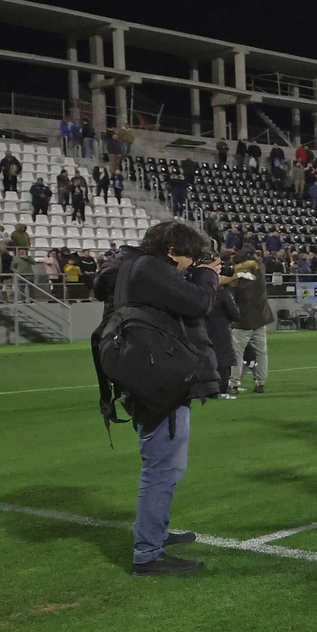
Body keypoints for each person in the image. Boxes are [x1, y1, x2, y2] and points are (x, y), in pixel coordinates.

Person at [92, 221, 219, 576]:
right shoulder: (149, 268)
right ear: (171, 251)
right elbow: (199, 303)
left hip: (145, 375)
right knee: (163, 468)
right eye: (188, 257)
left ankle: (156, 532)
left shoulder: (131, 267)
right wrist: (208, 275)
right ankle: (148, 553)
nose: (189, 265)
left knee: (163, 464)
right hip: (158, 381)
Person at [225, 260, 271, 394]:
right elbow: (260, 265)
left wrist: (236, 274)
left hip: (242, 324)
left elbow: (221, 283)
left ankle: (233, 383)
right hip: (260, 321)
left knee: (237, 354)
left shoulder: (236, 285)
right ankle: (260, 383)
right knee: (261, 353)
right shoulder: (260, 279)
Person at [205, 262, 240, 399]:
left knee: (207, 359)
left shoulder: (201, 291)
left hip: (202, 330)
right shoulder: (223, 293)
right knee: (224, 361)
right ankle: (221, 391)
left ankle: (207, 390)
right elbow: (235, 314)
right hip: (221, 330)